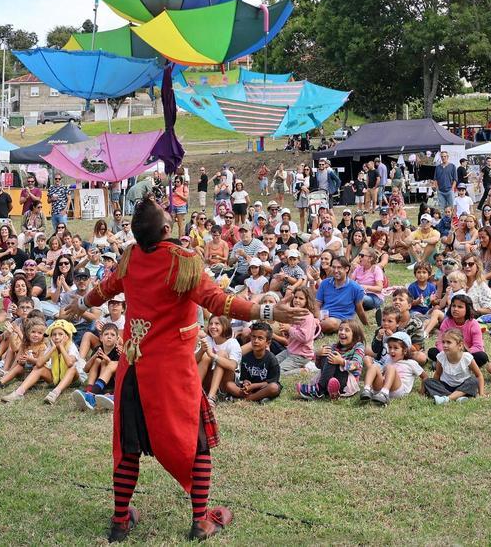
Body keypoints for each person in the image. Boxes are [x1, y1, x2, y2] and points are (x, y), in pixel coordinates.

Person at [59, 197, 306, 542]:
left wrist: (82, 303)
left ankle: (119, 522)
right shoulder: (183, 261)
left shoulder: (130, 257)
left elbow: (106, 287)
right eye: (166, 213)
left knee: (128, 446)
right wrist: (267, 313)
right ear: (165, 229)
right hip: (172, 373)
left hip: (132, 370)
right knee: (196, 442)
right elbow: (218, 302)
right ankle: (201, 520)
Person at [221, 322, 282, 403]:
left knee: (274, 388)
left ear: (268, 343)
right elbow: (244, 378)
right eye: (253, 337)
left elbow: (271, 382)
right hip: (248, 389)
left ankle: (248, 398)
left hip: (263, 387)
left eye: (260, 338)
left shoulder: (271, 359)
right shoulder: (246, 357)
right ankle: (257, 398)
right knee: (229, 385)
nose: (255, 341)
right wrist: (246, 383)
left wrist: (253, 386)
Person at [422, 328, 484, 404]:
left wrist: (481, 393)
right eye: (443, 342)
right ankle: (457, 397)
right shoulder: (441, 356)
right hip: (446, 386)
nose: (445, 345)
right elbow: (438, 374)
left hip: (463, 386)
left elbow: (479, 375)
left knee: (473, 381)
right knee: (428, 382)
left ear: (460, 345)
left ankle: (446, 399)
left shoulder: (467, 358)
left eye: (449, 342)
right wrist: (434, 385)